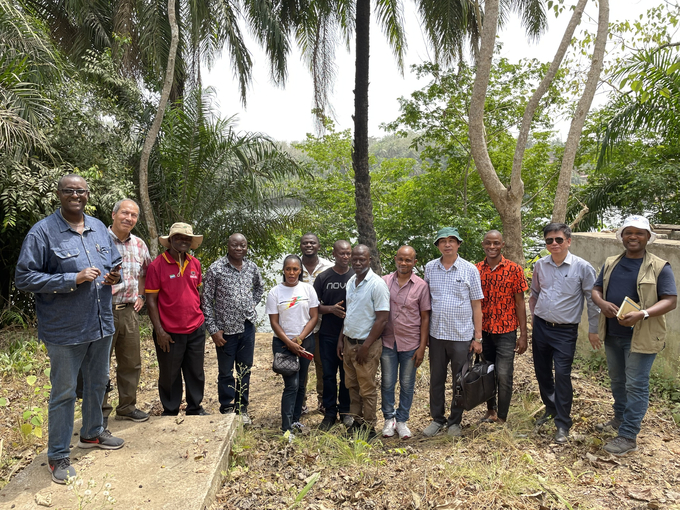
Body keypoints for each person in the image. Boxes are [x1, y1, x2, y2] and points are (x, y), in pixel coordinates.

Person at [15, 174, 124, 484]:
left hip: (101, 323)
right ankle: (59, 455)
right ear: (59, 194)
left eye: (81, 191)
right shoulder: (43, 233)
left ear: (88, 195)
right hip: (65, 330)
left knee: (98, 382)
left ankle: (91, 433)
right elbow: (24, 278)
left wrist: (114, 277)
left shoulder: (99, 227)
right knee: (63, 393)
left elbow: (113, 263)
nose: (76, 195)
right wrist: (70, 279)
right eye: (69, 191)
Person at [591, 215, 677, 455]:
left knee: (636, 385)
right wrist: (602, 302)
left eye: (639, 233)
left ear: (648, 237)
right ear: (622, 236)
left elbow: (670, 301)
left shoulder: (660, 266)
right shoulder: (611, 262)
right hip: (613, 333)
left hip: (642, 336)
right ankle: (619, 419)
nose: (633, 237)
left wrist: (643, 314)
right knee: (618, 381)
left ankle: (628, 436)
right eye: (628, 232)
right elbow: (596, 289)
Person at [529, 223, 600, 444]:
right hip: (541, 327)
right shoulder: (541, 265)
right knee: (542, 372)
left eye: (558, 240)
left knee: (562, 375)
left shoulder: (583, 267)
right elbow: (534, 293)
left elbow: (593, 300)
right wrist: (534, 319)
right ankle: (550, 409)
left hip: (565, 331)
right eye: (549, 240)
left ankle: (563, 423)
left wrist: (593, 330)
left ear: (568, 241)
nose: (554, 244)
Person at [423, 227, 484, 438]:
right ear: (438, 245)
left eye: (451, 240)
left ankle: (455, 421)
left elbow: (477, 305)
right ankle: (437, 419)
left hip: (461, 336)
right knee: (436, 380)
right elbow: (426, 301)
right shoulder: (430, 268)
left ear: (458, 244)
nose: (447, 244)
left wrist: (478, 337)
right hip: (437, 335)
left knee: (460, 381)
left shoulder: (470, 270)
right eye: (442, 241)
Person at [145, 223, 207, 416]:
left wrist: (202, 317)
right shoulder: (157, 265)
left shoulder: (194, 263)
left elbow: (197, 292)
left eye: (187, 238)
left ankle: (195, 408)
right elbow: (151, 300)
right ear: (170, 240)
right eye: (179, 237)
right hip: (169, 331)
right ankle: (170, 410)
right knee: (169, 373)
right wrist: (159, 331)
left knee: (195, 371)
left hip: (195, 327)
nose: (183, 241)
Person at [202, 233, 264, 425]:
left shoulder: (252, 267)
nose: (239, 248)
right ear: (228, 246)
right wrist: (213, 329)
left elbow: (259, 288)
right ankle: (227, 408)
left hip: (246, 327)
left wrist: (250, 306)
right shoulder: (216, 269)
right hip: (225, 330)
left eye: (243, 245)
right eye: (235, 245)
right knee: (226, 372)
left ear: (246, 247)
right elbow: (205, 300)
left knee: (245, 370)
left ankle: (242, 407)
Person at [104, 199, 152, 425]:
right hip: (102, 310)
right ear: (114, 215)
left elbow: (145, 272)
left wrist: (141, 295)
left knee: (131, 362)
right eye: (125, 213)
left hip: (129, 312)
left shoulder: (140, 244)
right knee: (100, 364)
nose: (129, 218)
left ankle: (126, 407)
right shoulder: (97, 240)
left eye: (133, 215)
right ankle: (99, 411)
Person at [475, 230, 529, 425]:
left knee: (504, 374)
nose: (492, 247)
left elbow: (520, 303)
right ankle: (491, 411)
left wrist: (523, 335)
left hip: (506, 331)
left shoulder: (514, 269)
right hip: (484, 332)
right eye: (488, 243)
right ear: (483, 245)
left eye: (496, 243)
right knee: (487, 373)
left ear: (502, 245)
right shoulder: (476, 270)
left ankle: (503, 417)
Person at [338, 245, 390, 440]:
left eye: (363, 259)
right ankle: (357, 422)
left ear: (370, 260)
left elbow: (382, 319)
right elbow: (349, 313)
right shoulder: (351, 281)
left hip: (366, 345)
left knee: (367, 388)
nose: (358, 262)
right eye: (355, 259)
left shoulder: (377, 284)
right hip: (350, 342)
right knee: (352, 385)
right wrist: (341, 339)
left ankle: (369, 427)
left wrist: (366, 346)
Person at [266, 254, 319, 437]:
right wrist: (289, 343)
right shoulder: (275, 292)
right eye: (288, 269)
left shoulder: (308, 290)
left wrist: (300, 339)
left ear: (300, 271)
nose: (291, 272)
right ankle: (286, 428)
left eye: (295, 269)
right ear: (283, 270)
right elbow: (274, 322)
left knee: (302, 384)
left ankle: (296, 420)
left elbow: (314, 317)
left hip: (305, 342)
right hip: (283, 344)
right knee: (291, 385)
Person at [380, 246, 430, 440]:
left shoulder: (421, 286)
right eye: (400, 259)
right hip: (387, 341)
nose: (404, 263)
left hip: (411, 343)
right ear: (395, 259)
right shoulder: (384, 282)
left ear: (414, 263)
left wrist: (422, 347)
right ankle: (388, 419)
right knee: (387, 382)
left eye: (408, 260)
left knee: (407, 383)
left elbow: (425, 317)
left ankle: (402, 421)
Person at [313, 240, 355, 431]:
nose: (345, 257)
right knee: (328, 375)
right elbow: (312, 306)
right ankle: (330, 412)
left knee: (346, 375)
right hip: (327, 334)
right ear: (334, 254)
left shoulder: (356, 277)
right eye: (341, 254)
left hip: (349, 334)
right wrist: (330, 309)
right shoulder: (323, 278)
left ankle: (346, 411)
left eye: (348, 253)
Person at [300, 233, 333, 414]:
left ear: (318, 246)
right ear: (301, 246)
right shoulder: (293, 266)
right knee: (301, 365)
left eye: (312, 242)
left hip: (324, 325)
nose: (309, 245)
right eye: (305, 243)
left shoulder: (328, 267)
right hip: (301, 326)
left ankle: (323, 401)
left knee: (323, 365)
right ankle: (301, 401)